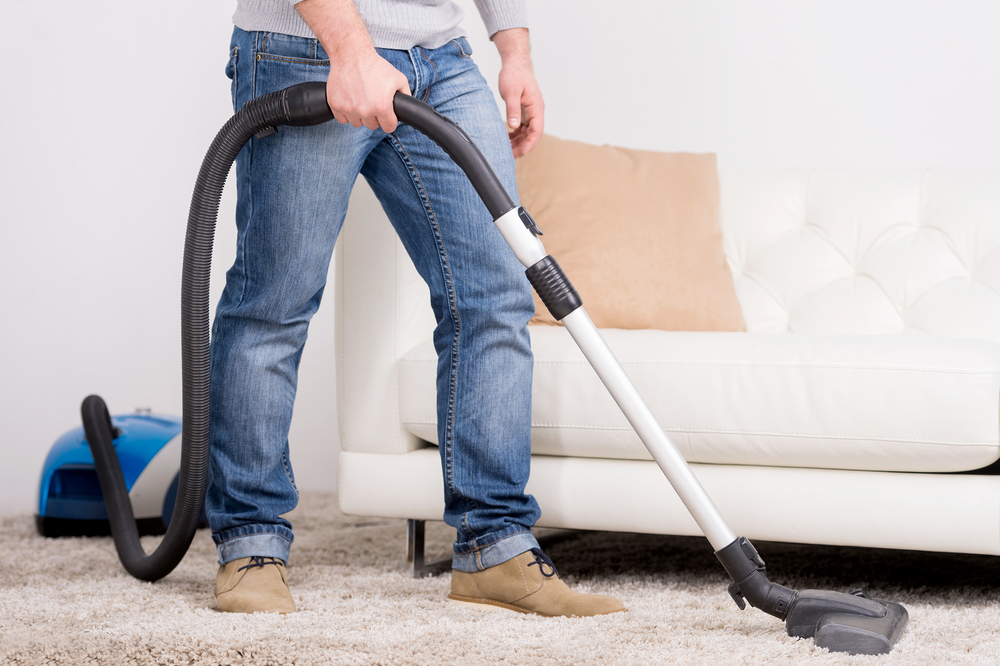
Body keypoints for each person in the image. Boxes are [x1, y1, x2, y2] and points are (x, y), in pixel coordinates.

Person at [208, 0, 625, 617]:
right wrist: (352, 52)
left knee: (494, 297)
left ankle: (496, 548)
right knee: (275, 303)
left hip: (442, 61)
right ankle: (249, 544)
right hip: (306, 50)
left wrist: (514, 51)